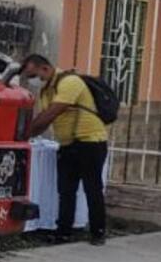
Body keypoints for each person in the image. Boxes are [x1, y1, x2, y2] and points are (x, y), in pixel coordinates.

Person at [21, 54, 108, 246]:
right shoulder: (45, 91)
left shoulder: (70, 82)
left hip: (90, 142)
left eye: (34, 74)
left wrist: (23, 134)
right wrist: (26, 135)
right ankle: (63, 233)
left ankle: (98, 233)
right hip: (68, 144)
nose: (34, 80)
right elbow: (43, 118)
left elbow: (53, 113)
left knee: (92, 188)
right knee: (66, 190)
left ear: (45, 68)